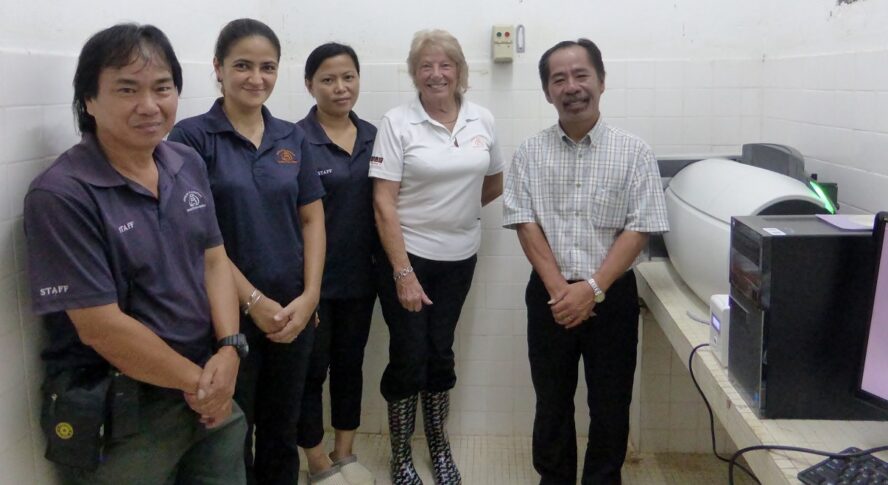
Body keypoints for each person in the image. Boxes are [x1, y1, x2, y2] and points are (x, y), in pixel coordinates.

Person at [24, 23, 247, 484]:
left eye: (162, 87)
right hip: (123, 412)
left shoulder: (184, 162)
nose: (150, 105)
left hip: (208, 391)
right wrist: (202, 385)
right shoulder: (62, 194)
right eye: (127, 89)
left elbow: (214, 259)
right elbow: (101, 327)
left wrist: (228, 351)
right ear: (88, 100)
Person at [503, 38, 670, 485]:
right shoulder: (529, 153)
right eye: (559, 79)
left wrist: (592, 289)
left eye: (581, 75)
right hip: (550, 294)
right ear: (547, 91)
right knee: (552, 402)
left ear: (601, 81)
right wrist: (560, 290)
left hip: (611, 296)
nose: (572, 86)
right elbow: (524, 221)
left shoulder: (633, 152)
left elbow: (640, 226)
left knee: (611, 403)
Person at [168, 18, 326, 485]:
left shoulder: (291, 138)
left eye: (267, 67)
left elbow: (313, 218)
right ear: (217, 68)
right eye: (242, 65)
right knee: (232, 432)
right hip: (225, 318)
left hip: (292, 314)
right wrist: (253, 303)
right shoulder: (190, 139)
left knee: (282, 428)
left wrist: (311, 295)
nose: (256, 78)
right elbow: (195, 238)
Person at [370, 29, 504, 485]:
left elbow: (493, 181)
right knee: (409, 353)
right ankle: (401, 454)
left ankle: (440, 446)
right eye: (425, 66)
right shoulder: (397, 122)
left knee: (440, 352)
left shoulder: (481, 119)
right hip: (407, 258)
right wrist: (403, 272)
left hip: (460, 258)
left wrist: (459, 214)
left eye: (445, 65)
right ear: (414, 73)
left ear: (460, 71)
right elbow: (383, 202)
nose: (436, 74)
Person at [294, 43, 378, 485]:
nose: (340, 87)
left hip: (362, 280)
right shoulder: (293, 141)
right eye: (327, 79)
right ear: (309, 85)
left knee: (351, 365)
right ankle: (316, 460)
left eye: (348, 77)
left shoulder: (375, 137)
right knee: (311, 371)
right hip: (312, 284)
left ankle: (344, 452)